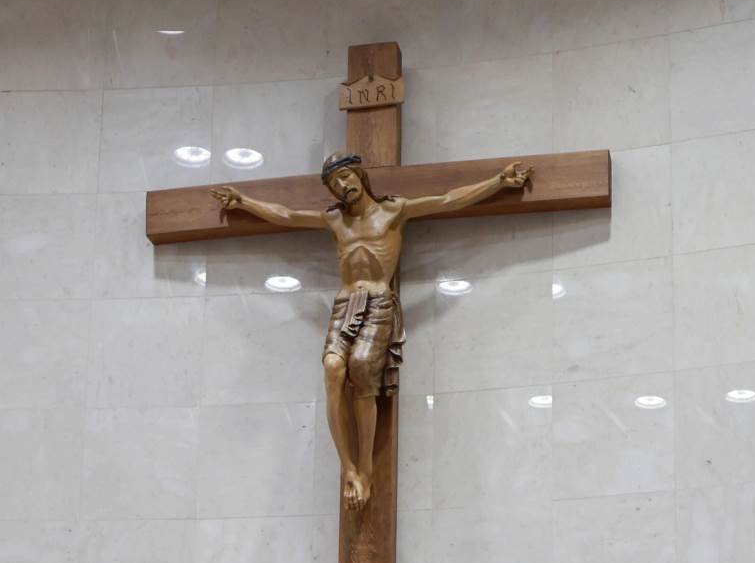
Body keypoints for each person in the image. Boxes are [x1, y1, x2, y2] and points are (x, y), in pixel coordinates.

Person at [210, 151, 531, 508]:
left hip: (379, 301)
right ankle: (348, 468)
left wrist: (497, 182)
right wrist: (244, 202)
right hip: (345, 302)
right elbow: (286, 215)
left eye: (345, 177)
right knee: (333, 367)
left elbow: (446, 200)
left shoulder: (393, 211)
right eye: (334, 184)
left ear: (360, 176)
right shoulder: (335, 220)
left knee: (362, 368)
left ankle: (366, 468)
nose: (341, 186)